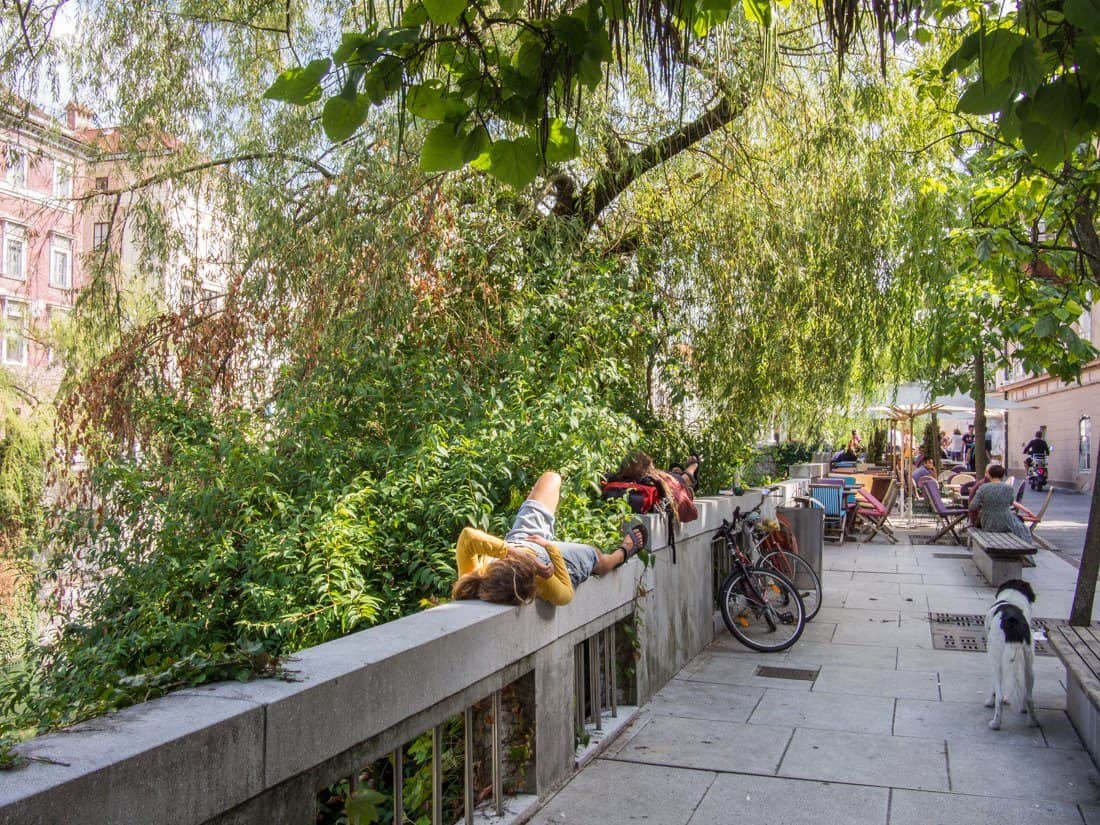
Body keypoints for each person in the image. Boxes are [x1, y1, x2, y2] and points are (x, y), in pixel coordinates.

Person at [452, 471, 647, 606]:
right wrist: (549, 550)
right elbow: (566, 595)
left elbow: (467, 536)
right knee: (596, 556)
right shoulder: (542, 581)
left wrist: (514, 552)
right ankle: (621, 553)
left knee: (551, 478)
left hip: (521, 539)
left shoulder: (472, 577)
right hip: (550, 558)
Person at [968, 464, 1033, 541]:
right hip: (1006, 521)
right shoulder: (1009, 488)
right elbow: (1010, 502)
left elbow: (972, 506)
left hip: (988, 522)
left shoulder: (983, 488)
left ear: (989, 475)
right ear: (1002, 476)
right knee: (1022, 528)